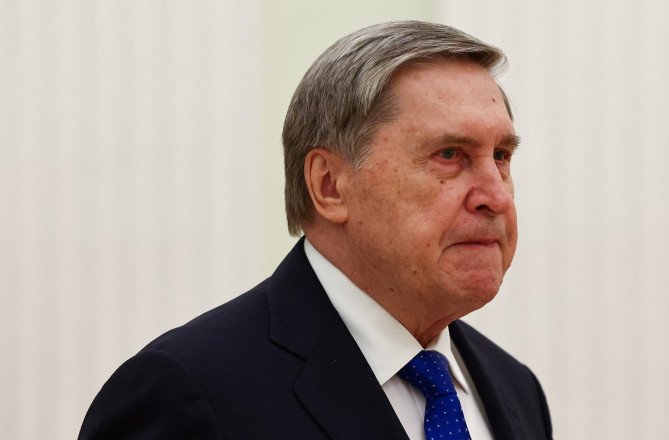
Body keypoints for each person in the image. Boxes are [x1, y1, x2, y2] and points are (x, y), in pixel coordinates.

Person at [79, 21, 553, 440]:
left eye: (501, 156)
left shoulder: (515, 387)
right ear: (329, 186)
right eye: (449, 155)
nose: (497, 197)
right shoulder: (189, 392)